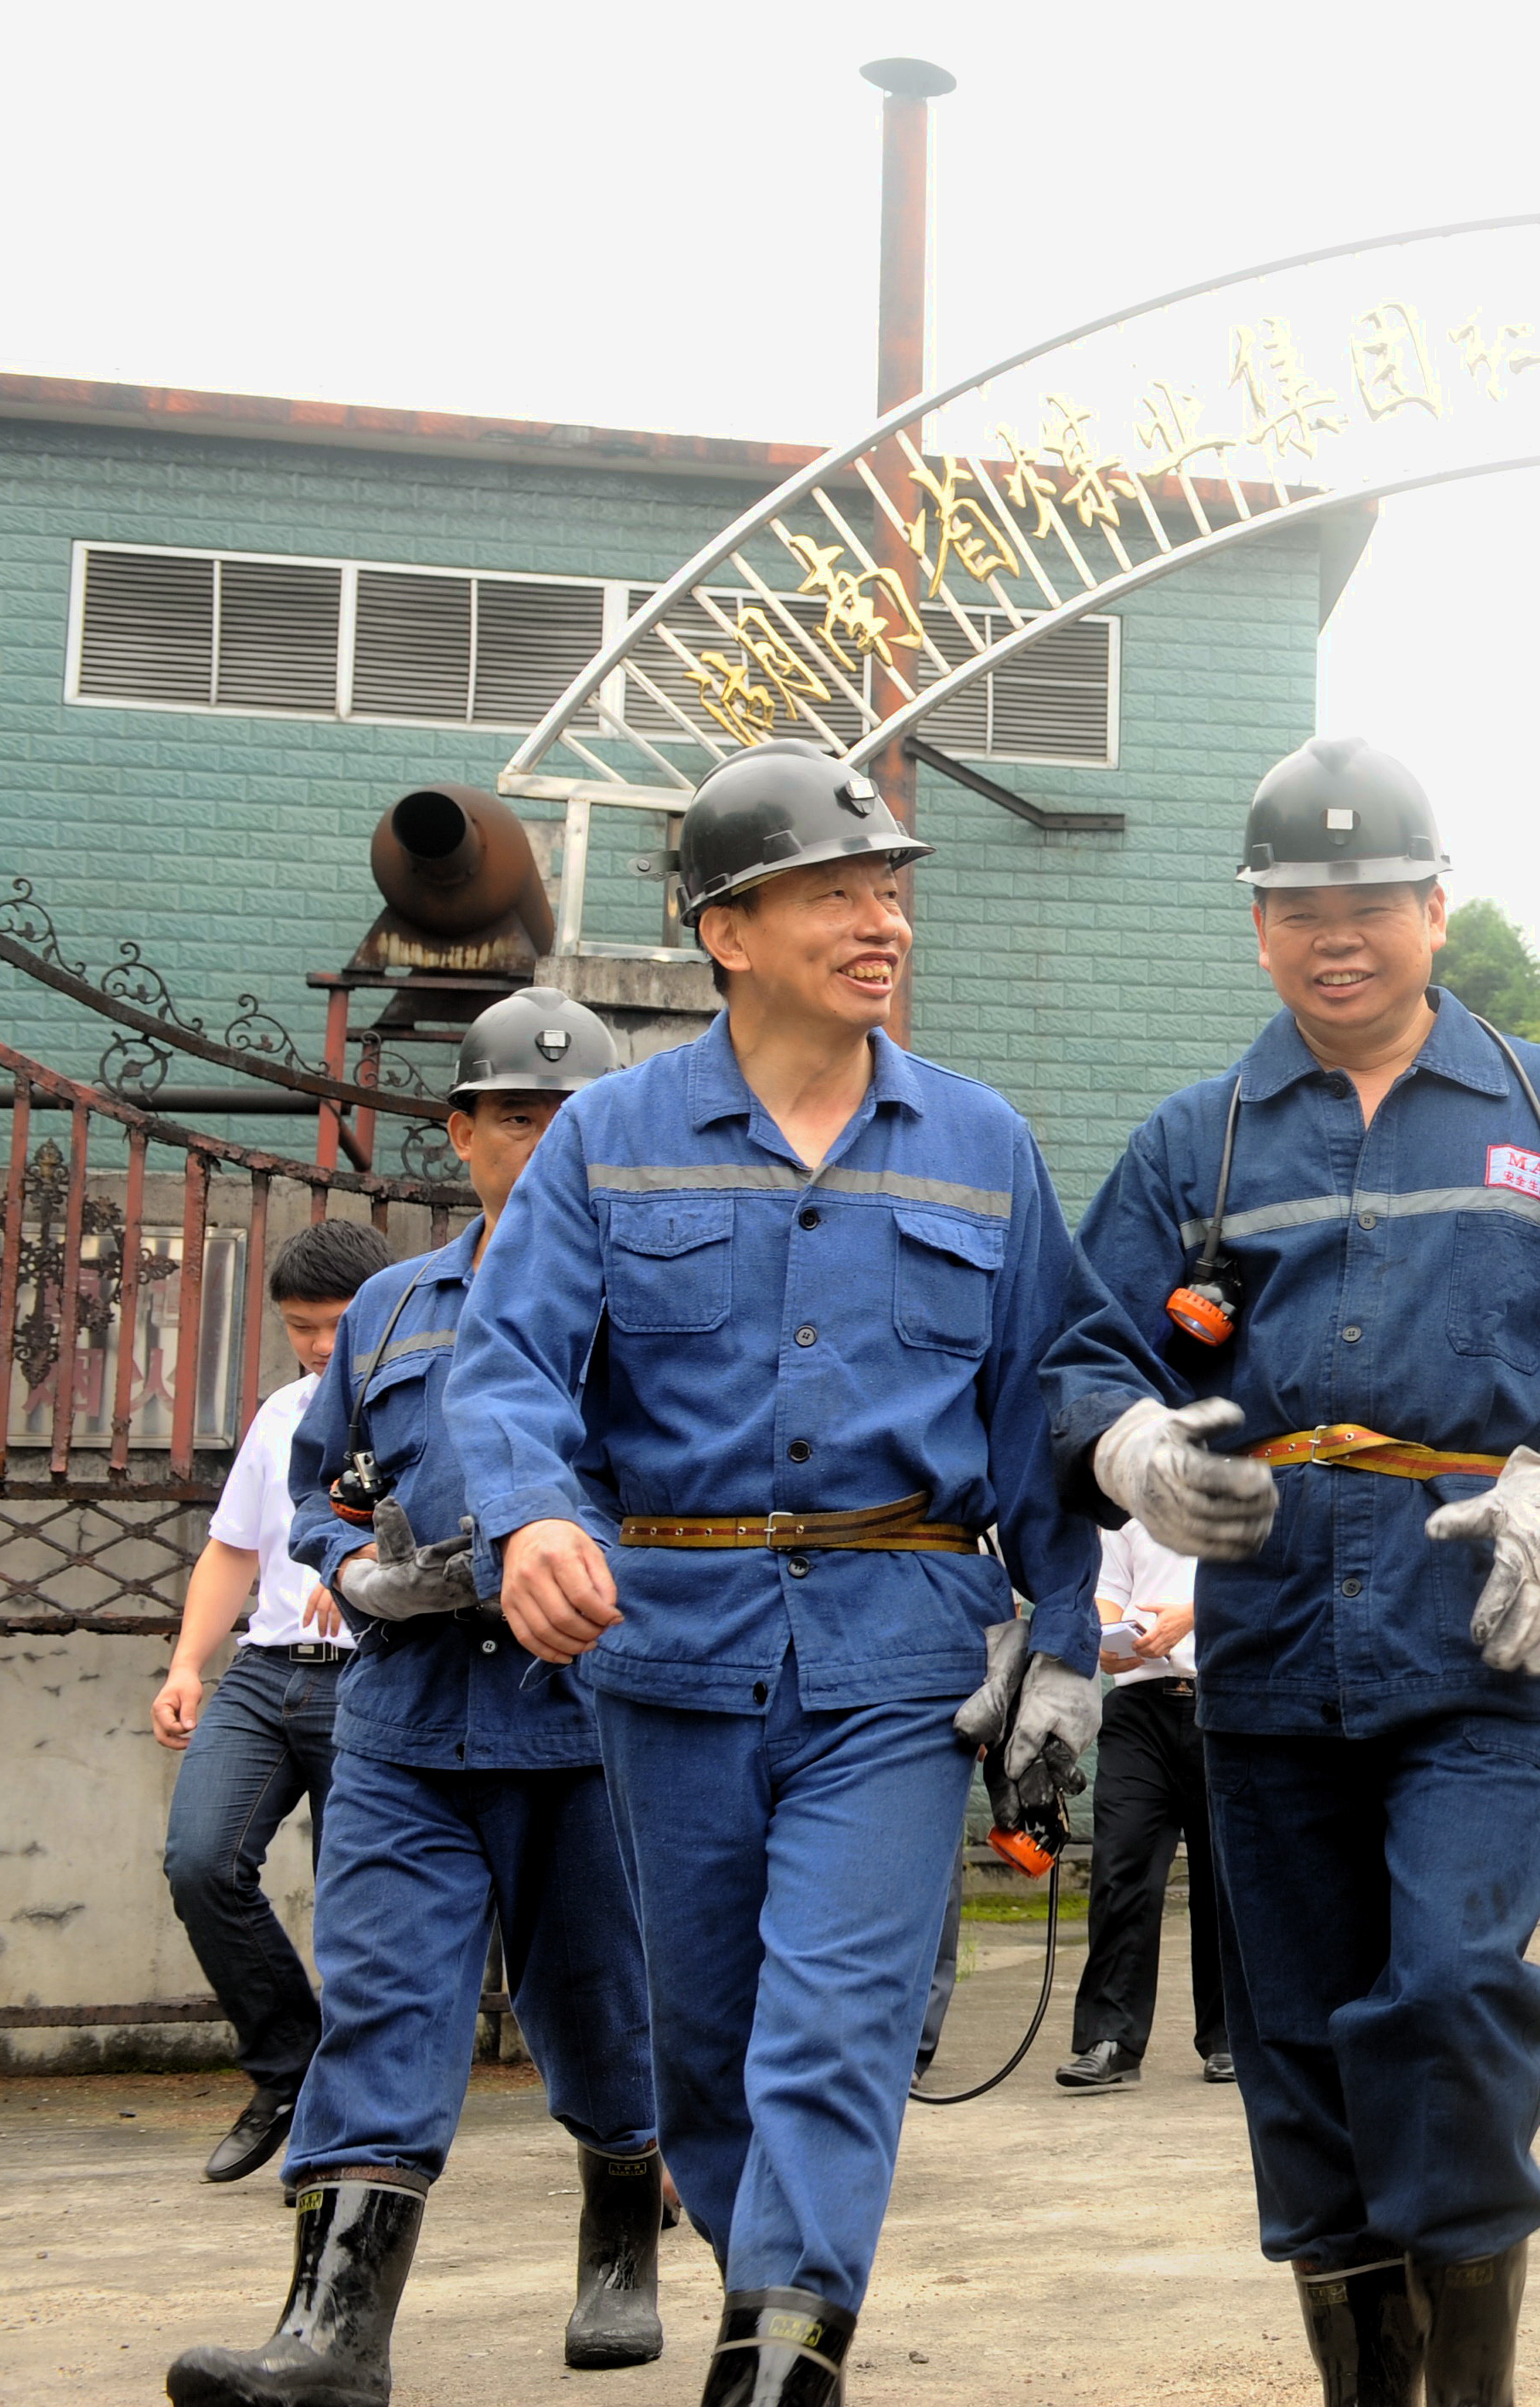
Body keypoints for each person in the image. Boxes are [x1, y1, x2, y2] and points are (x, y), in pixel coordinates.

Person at [446, 739, 1110, 2406]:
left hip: (899, 1662)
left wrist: (1072, 1645)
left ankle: (774, 2372)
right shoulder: (607, 1139)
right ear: (725, 931)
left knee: (834, 2029)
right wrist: (531, 1516)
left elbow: (1041, 1408)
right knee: (713, 2058)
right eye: (835, 891)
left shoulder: (980, 1145)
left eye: (889, 889)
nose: (880, 920)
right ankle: (777, 2303)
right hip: (666, 1656)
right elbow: (509, 1368)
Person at [1039, 734, 1540, 2406]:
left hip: (1479, 1636)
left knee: (1457, 1986)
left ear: (1438, 909)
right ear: (1257, 927)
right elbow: (1087, 1352)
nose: (1340, 932)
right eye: (1299, 904)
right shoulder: (1204, 1141)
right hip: (1263, 1645)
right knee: (1306, 2039)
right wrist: (1128, 1452)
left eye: (1374, 900)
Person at [167, 990, 669, 2405]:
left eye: (575, 1117)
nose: (546, 1136)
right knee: (381, 2000)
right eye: (518, 1113)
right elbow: (326, 1485)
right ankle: (334, 2331)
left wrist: (575, 1566)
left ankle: (622, 2240)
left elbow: (709, 1504)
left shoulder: (664, 1307)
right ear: (462, 1133)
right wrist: (360, 1564)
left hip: (587, 1727)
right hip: (405, 1719)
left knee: (600, 2008)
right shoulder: (391, 1306)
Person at [152, 1217, 393, 2188]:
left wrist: (375, 1567)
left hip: (373, 1676)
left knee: (361, 1912)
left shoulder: (434, 1403)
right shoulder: (283, 1411)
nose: (320, 1346)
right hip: (266, 1672)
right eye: (302, 1327)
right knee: (200, 1862)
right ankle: (288, 2063)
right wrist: (184, 1665)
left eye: (336, 1324)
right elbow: (233, 1547)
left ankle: (355, 2127)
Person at [1056, 1519, 1236, 2089]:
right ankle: (1109, 2039)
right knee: (1120, 1868)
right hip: (1139, 1712)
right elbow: (1109, 1589)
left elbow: (1274, 1581)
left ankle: (1232, 2037)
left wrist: (1197, 1613)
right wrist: (1110, 1637)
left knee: (1226, 1878)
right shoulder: (1129, 1498)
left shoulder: (1253, 1477)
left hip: (1227, 1701)